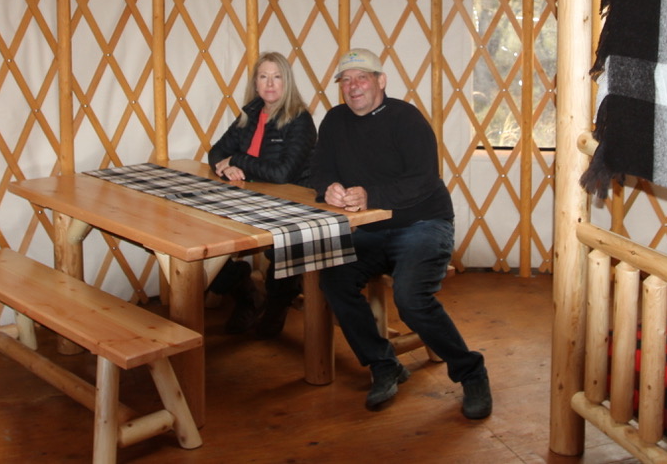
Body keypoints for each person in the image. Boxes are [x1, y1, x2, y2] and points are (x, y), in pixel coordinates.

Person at [311, 48, 492, 419]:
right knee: (332, 276)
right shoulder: (333, 121)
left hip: (422, 224)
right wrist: (326, 188)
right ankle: (383, 364)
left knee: (410, 298)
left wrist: (370, 195)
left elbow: (424, 180)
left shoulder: (406, 119)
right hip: (369, 230)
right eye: (345, 80)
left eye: (361, 77)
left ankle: (471, 371)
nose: (353, 86)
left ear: (381, 81)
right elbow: (318, 171)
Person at [206, 51, 316, 336]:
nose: (270, 84)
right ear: (255, 83)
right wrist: (225, 169)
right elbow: (216, 152)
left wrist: (238, 161)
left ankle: (277, 305)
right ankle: (246, 294)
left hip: (290, 204)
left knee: (284, 246)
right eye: (263, 77)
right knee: (202, 239)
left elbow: (282, 174)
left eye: (277, 77)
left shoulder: (299, 120)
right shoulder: (250, 114)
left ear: (287, 82)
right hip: (247, 200)